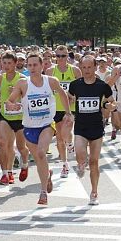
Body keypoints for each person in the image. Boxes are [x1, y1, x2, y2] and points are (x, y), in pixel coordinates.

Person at [7, 52, 72, 205]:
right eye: (29, 65)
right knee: (39, 159)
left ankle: (43, 192)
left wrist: (68, 113)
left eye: (35, 64)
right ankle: (47, 174)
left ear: (43, 66)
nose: (32, 68)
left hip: (47, 124)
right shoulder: (23, 83)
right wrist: (12, 104)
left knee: (42, 153)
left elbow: (63, 94)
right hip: (29, 127)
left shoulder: (51, 81)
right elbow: (10, 100)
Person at [68, 55, 116, 205]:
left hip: (96, 126)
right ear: (80, 68)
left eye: (90, 67)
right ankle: (81, 163)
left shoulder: (102, 86)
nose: (87, 70)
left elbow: (111, 101)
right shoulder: (75, 85)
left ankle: (94, 192)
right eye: (84, 67)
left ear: (95, 68)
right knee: (80, 153)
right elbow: (68, 99)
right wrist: (67, 112)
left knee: (94, 162)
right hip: (81, 126)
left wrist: (109, 107)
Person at [47, 45, 81, 178]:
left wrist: (74, 97)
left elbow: (82, 88)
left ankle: (70, 144)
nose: (60, 58)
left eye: (63, 56)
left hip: (69, 108)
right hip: (55, 108)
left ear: (68, 56)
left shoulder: (75, 71)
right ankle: (64, 164)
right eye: (58, 56)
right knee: (60, 138)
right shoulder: (50, 71)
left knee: (66, 133)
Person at [0, 51, 30, 184]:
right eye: (4, 63)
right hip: (5, 116)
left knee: (21, 147)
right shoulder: (0, 78)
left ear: (16, 64)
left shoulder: (22, 79)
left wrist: (17, 94)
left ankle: (25, 164)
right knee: (4, 144)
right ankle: (6, 173)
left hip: (20, 118)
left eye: (9, 63)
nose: (6, 66)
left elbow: (27, 98)